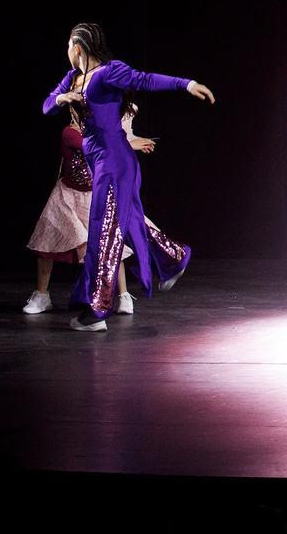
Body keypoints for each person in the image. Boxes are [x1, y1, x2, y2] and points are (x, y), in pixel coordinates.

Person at [42, 23, 212, 331]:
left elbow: (144, 79)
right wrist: (61, 99)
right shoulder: (73, 78)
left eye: (68, 45)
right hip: (101, 163)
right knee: (129, 222)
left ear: (77, 48)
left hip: (116, 162)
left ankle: (98, 311)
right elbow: (46, 107)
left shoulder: (108, 73)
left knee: (104, 233)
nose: (66, 51)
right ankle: (174, 258)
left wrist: (185, 84)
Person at [24, 101, 156, 316]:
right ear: (73, 112)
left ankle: (123, 295)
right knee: (48, 245)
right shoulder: (70, 133)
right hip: (67, 198)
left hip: (94, 197)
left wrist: (130, 135)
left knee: (111, 245)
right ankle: (42, 295)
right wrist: (129, 144)